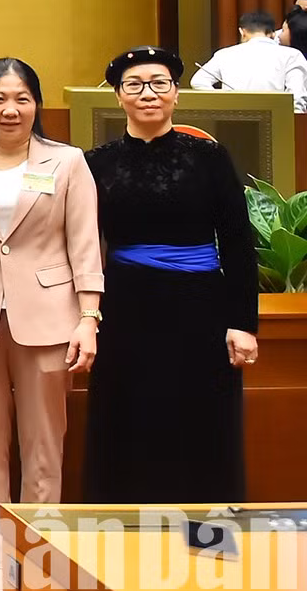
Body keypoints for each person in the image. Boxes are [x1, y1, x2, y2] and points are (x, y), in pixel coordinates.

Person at [0, 58, 102, 591]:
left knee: (45, 445)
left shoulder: (67, 162)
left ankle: (35, 556)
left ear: (36, 103)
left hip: (49, 316)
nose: (9, 109)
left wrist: (89, 317)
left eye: (20, 97)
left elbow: (85, 243)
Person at [82, 46, 259, 504]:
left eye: (160, 83)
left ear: (176, 94)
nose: (148, 94)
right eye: (135, 85)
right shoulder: (95, 163)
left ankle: (207, 532)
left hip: (201, 304)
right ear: (119, 96)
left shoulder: (210, 157)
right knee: (129, 413)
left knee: (203, 416)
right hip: (126, 305)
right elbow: (80, 244)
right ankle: (123, 532)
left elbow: (238, 239)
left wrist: (242, 323)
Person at [191, 11, 307, 110]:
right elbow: (297, 97)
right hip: (277, 119)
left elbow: (198, 81)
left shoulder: (225, 54)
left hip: (233, 117)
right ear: (272, 33)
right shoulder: (292, 55)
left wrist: (226, 100)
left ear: (242, 32)